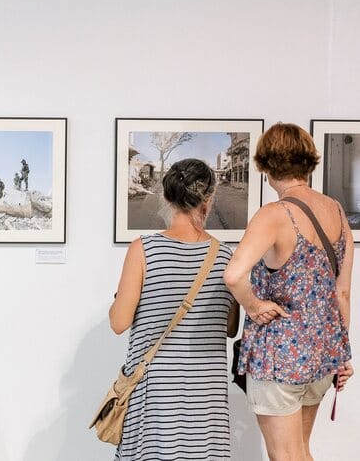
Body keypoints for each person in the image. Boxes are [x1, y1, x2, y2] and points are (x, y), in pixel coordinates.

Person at [224, 123, 354, 461]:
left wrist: (252, 305)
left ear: (266, 167)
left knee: (285, 457)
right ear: (309, 162)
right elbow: (342, 293)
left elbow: (234, 274)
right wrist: (342, 353)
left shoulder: (274, 214)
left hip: (279, 355)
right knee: (300, 453)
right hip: (322, 354)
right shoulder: (337, 212)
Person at [110, 158, 239, 461]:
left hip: (154, 393)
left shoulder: (143, 250)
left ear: (166, 196)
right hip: (206, 397)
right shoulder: (226, 257)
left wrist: (121, 298)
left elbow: (118, 322)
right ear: (209, 198)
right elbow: (229, 328)